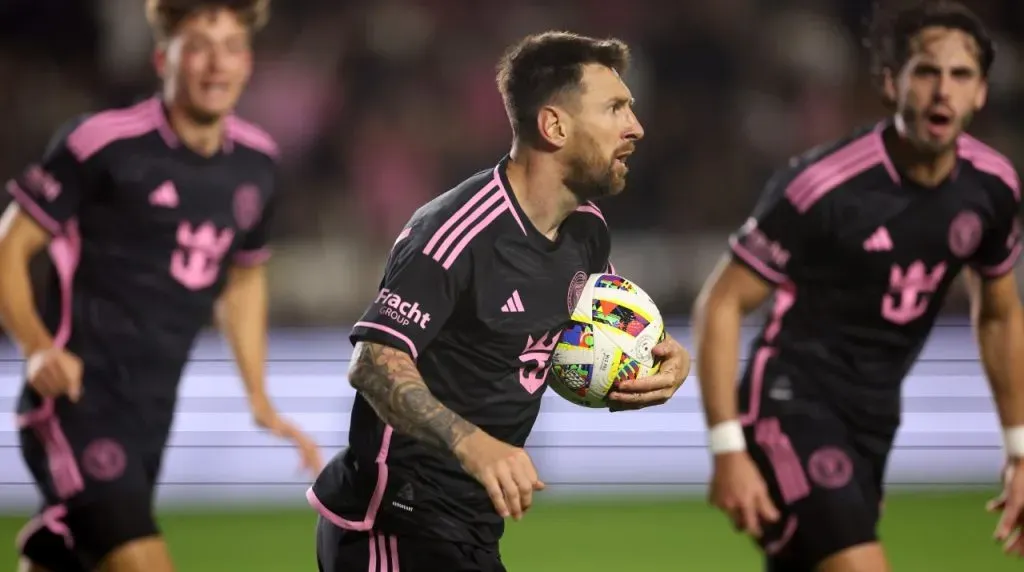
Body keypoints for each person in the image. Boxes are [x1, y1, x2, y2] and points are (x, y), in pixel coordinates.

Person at [307, 31, 691, 572]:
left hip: (470, 526)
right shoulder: (453, 232)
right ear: (554, 125)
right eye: (615, 109)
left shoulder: (586, 231)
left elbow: (596, 314)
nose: (636, 127)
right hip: (394, 526)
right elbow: (372, 362)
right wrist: (474, 445)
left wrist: (662, 352)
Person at [692, 2, 1024, 571]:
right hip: (790, 403)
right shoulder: (822, 185)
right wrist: (727, 448)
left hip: (873, 419)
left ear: (981, 93)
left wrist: (1019, 451)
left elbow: (998, 312)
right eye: (925, 71)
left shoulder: (992, 187)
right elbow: (721, 302)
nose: (942, 90)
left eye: (960, 74)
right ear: (891, 83)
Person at [0, 1, 322, 571]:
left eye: (230, 47)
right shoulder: (101, 143)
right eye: (198, 45)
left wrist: (259, 397)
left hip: (150, 410)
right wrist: (36, 347)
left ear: (248, 63)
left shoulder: (258, 165)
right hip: (76, 402)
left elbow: (244, 279)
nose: (215, 63)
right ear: (163, 58)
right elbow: (12, 246)